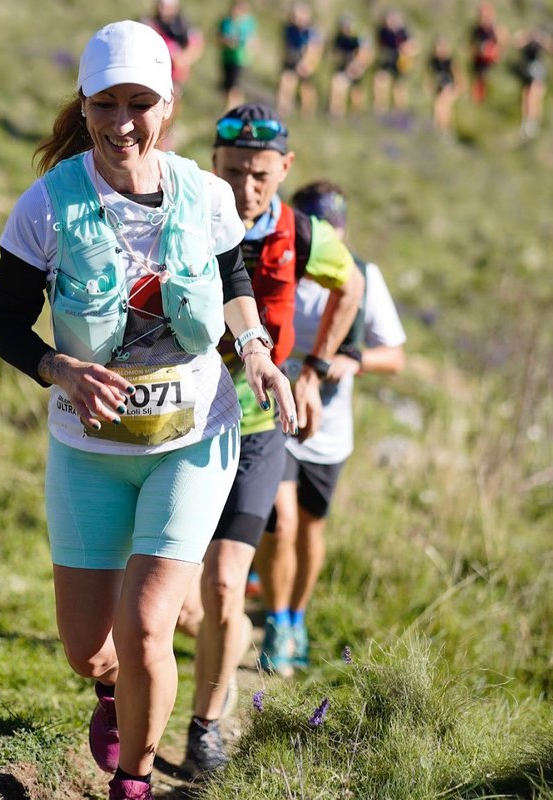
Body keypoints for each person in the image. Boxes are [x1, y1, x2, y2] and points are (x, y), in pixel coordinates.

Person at [0, 21, 297, 800]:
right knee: (89, 648)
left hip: (191, 441)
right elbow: (4, 324)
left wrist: (255, 348)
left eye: (140, 104)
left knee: (149, 624)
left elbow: (233, 283)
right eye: (105, 104)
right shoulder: (45, 207)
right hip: (90, 452)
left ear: (168, 105)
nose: (122, 123)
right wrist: (59, 368)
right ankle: (109, 689)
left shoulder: (206, 195)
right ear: (83, 104)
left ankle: (135, 782)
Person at [176, 104, 365, 776]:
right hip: (183, 421)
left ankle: (204, 728)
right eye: (232, 172)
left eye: (260, 174)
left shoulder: (304, 234)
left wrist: (313, 370)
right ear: (213, 164)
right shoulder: (187, 215)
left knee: (227, 583)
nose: (245, 187)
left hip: (256, 432)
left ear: (285, 168)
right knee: (178, 599)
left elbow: (352, 285)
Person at [253, 180, 406, 676]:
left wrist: (352, 361)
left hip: (330, 430)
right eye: (320, 227)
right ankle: (275, 619)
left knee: (310, 527)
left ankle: (297, 618)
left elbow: (395, 356)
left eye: (336, 228)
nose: (330, 236)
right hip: (275, 415)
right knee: (280, 519)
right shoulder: (277, 264)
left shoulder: (362, 275)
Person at [143, 0, 204, 106]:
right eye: (161, 5)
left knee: (172, 103)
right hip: (153, 73)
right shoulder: (150, 23)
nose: (163, 10)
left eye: (166, 6)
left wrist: (183, 59)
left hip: (175, 75)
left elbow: (196, 43)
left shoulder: (183, 25)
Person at [276, 2, 324, 118]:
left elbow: (315, 50)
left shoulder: (312, 31)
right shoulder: (289, 28)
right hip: (292, 59)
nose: (294, 19)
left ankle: (307, 113)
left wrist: (307, 63)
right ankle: (283, 108)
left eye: (296, 16)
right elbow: (285, 44)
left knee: (306, 88)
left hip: (308, 62)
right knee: (286, 81)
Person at [372, 8, 417, 116]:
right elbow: (379, 45)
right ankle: (380, 108)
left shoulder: (404, 31)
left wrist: (405, 50)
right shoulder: (382, 31)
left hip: (401, 62)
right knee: (379, 80)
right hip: (388, 60)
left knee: (399, 87)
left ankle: (400, 111)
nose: (390, 22)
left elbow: (414, 46)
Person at [328, 14, 372, 119]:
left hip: (357, 68)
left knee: (356, 91)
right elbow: (333, 54)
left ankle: (356, 114)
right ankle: (336, 112)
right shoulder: (339, 38)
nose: (346, 29)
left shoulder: (359, 37)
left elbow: (365, 55)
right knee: (337, 85)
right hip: (343, 67)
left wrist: (356, 66)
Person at [511, 27, 552, 140]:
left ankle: (533, 123)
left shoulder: (541, 43)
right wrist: (529, 37)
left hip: (537, 74)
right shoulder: (527, 40)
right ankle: (527, 122)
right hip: (527, 73)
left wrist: (542, 40)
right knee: (526, 97)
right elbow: (517, 42)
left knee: (534, 98)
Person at [217, 0, 258, 111]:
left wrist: (249, 50)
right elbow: (218, 38)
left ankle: (232, 111)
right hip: (227, 58)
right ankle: (230, 110)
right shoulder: (226, 22)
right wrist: (227, 42)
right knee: (227, 88)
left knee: (234, 88)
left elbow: (253, 41)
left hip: (241, 60)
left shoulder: (248, 23)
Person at [469, 3, 503, 104]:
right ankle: (477, 102)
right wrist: (478, 50)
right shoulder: (476, 30)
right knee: (478, 81)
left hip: (490, 61)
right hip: (479, 61)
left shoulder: (494, 29)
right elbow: (470, 46)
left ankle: (486, 101)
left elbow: (501, 41)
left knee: (487, 81)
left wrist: (493, 51)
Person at [427, 36, 462, 134]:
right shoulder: (433, 61)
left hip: (449, 86)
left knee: (440, 105)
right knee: (441, 106)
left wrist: (457, 87)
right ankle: (441, 128)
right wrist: (430, 83)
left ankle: (443, 127)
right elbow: (430, 74)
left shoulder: (449, 61)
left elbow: (457, 75)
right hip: (440, 86)